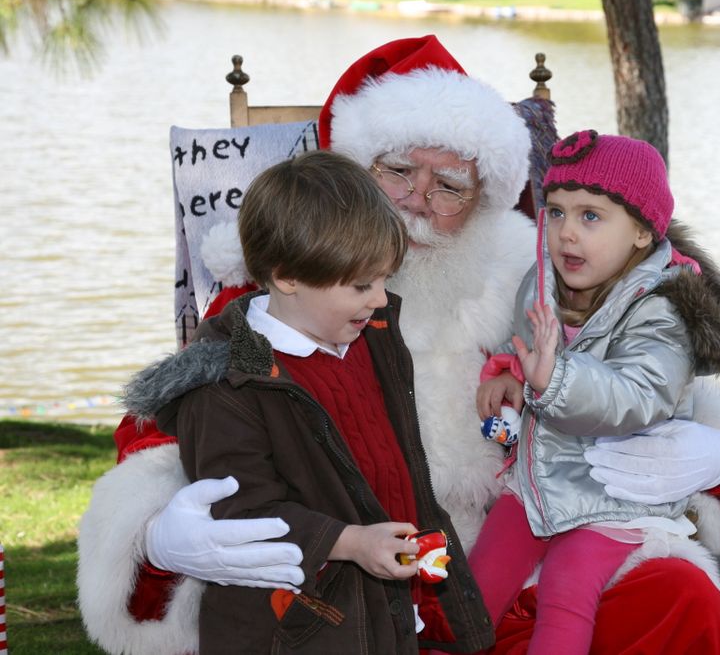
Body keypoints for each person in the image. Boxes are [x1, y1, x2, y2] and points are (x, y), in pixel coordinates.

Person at [78, 35, 720, 655]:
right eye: (395, 171)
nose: (415, 200)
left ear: (486, 197)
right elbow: (166, 438)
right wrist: (160, 534)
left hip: (510, 559)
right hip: (339, 578)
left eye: (448, 183)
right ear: (356, 169)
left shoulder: (530, 274)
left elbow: (649, 371)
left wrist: (718, 458)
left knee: (674, 596)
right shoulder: (279, 291)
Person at [121, 150, 492, 652]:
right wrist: (352, 543)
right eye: (363, 284)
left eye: (385, 280)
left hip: (381, 599)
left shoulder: (372, 335)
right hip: (295, 622)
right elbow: (242, 512)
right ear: (287, 275)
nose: (381, 299)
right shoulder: (228, 387)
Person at [469, 130, 720, 654]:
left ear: (641, 233)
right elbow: (525, 338)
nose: (568, 232)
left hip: (614, 493)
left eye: (591, 216)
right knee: (477, 587)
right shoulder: (542, 279)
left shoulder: (660, 309)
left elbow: (638, 397)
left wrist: (553, 380)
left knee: (567, 597)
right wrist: (508, 370)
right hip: (538, 480)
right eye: (559, 212)